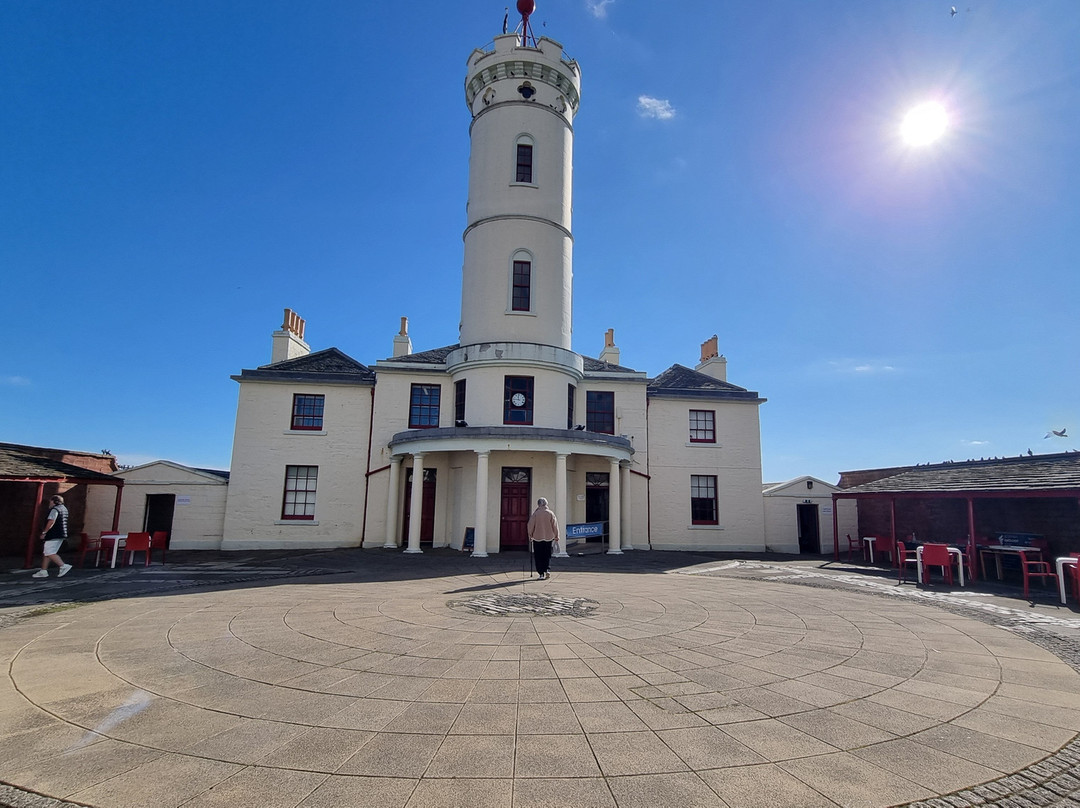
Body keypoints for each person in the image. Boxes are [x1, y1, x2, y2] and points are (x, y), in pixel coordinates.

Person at [33, 495, 72, 579]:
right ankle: (43, 571)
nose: (49, 503)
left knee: (49, 552)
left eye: (51, 501)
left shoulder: (55, 509)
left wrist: (44, 532)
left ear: (54, 501)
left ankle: (63, 566)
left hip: (53, 534)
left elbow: (51, 521)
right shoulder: (64, 509)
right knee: (47, 552)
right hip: (61, 534)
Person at [527, 497, 559, 580]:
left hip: (537, 537)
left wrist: (530, 535)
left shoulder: (535, 514)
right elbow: (555, 525)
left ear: (538, 504)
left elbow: (530, 525)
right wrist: (556, 535)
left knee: (538, 556)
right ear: (546, 504)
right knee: (547, 554)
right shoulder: (550, 513)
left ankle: (541, 573)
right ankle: (547, 569)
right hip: (548, 537)